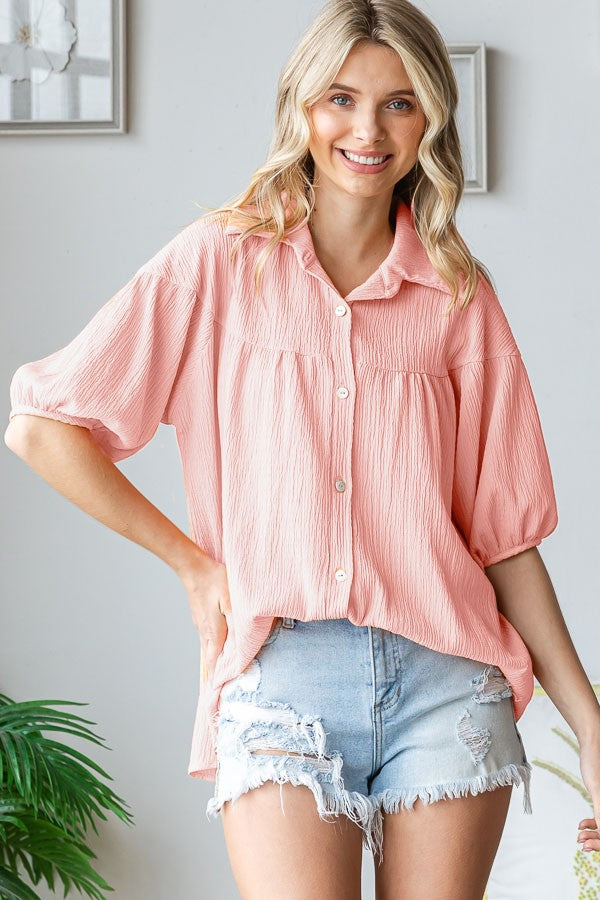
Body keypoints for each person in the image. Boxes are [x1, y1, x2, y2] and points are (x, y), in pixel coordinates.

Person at [5, 0, 600, 896]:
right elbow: (42, 427)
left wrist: (590, 727)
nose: (369, 130)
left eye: (399, 103)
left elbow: (506, 540)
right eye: (341, 99)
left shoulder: (459, 297)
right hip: (283, 679)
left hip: (448, 682)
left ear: (430, 120)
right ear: (301, 107)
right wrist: (193, 566)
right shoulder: (218, 264)